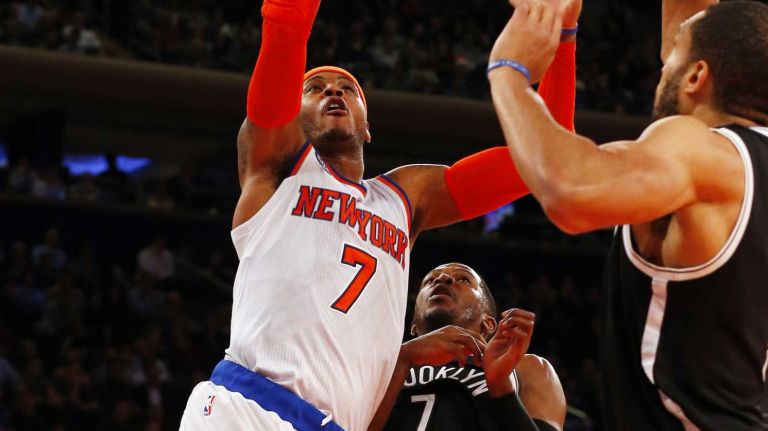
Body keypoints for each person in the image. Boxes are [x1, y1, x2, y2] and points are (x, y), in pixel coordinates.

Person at [179, 0, 577, 429]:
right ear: (293, 117)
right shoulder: (276, 169)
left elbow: (546, 159)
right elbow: (285, 28)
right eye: (314, 89)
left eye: (347, 89)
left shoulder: (406, 196)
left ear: (368, 126)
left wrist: (564, 31)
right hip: (248, 407)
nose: (333, 91)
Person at [488, 0, 768, 429]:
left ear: (696, 76)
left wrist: (510, 71)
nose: (662, 64)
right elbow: (694, 26)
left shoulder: (706, 155)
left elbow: (570, 189)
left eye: (674, 54)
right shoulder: (739, 167)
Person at [368, 263, 565, 431]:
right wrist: (403, 358)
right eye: (429, 281)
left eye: (463, 279)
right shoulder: (380, 365)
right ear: (413, 324)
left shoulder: (527, 368)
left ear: (487, 324)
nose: (443, 278)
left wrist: (501, 387)